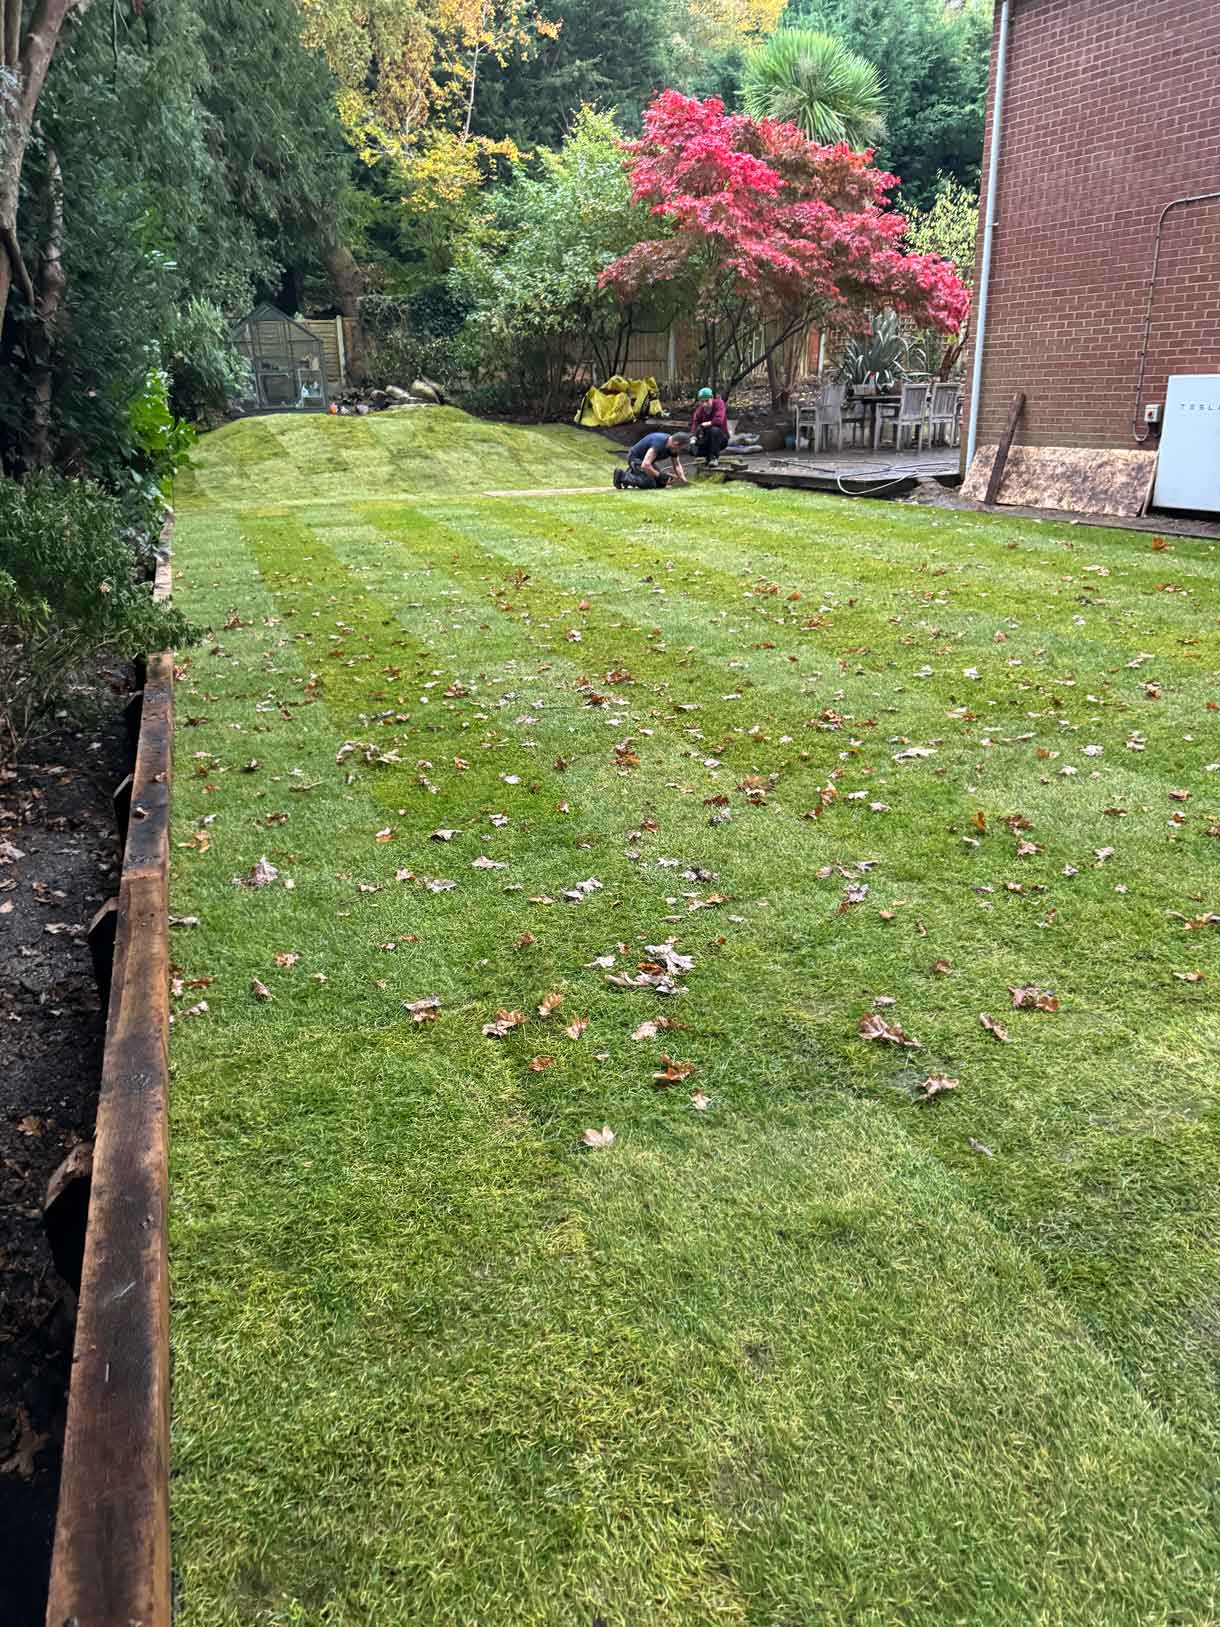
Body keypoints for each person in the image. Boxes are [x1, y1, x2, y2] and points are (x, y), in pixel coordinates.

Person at [613, 431, 690, 490]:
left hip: (647, 462)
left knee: (661, 484)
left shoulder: (672, 447)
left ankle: (634, 473)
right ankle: (622, 476)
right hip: (635, 459)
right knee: (650, 484)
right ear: (676, 444)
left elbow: (676, 465)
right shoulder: (659, 443)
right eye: (681, 448)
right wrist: (659, 475)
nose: (680, 450)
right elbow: (645, 465)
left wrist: (683, 480)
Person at [689, 386, 729, 466]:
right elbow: (695, 426)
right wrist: (693, 439)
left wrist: (705, 424)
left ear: (712, 398)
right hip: (707, 439)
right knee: (692, 449)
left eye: (707, 401)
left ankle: (714, 457)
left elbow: (719, 421)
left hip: (721, 437)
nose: (704, 404)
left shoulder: (719, 404)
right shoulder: (699, 411)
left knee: (714, 430)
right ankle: (708, 456)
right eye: (702, 402)